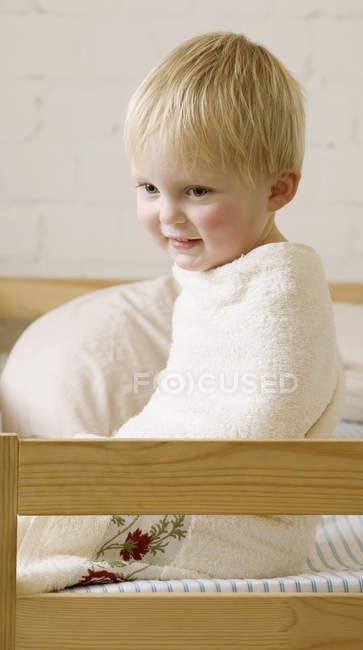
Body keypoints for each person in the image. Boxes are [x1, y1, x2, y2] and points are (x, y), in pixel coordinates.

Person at [15, 31, 345, 592]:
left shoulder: (284, 292)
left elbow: (260, 422)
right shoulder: (214, 278)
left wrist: (140, 467)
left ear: (278, 190)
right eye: (148, 186)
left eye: (196, 190)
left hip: (244, 523)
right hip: (191, 480)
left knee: (51, 509)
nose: (167, 214)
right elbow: (186, 401)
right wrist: (131, 457)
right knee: (57, 487)